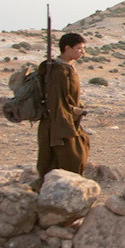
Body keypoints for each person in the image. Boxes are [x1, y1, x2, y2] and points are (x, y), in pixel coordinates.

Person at [36, 32, 91, 182]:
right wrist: (65, 126)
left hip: (67, 121)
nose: (82, 52)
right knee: (71, 159)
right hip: (59, 124)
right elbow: (56, 102)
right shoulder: (59, 71)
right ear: (67, 48)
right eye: (79, 48)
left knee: (79, 152)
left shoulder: (67, 67)